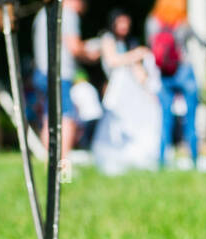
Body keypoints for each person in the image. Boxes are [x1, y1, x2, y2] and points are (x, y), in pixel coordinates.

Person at [92, 8, 162, 174]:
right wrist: (135, 54)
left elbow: (138, 71)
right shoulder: (108, 39)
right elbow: (112, 61)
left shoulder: (130, 43)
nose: (124, 26)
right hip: (117, 91)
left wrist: (148, 88)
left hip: (132, 92)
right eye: (121, 22)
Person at [33, 0, 101, 158]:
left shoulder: (43, 13)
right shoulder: (68, 14)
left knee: (49, 117)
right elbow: (74, 47)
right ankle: (63, 165)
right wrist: (91, 54)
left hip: (42, 71)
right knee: (66, 117)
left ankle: (50, 162)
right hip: (59, 73)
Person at [148, 0, 202, 168]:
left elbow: (152, 47)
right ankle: (194, 159)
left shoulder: (152, 22)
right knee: (191, 117)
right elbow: (201, 41)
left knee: (165, 119)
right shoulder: (183, 22)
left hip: (165, 75)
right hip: (185, 71)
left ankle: (162, 160)